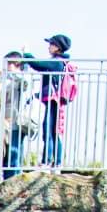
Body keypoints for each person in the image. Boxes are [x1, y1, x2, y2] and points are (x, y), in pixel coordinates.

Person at [31, 34, 77, 166]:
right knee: (52, 130)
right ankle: (54, 161)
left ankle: (50, 161)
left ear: (58, 47)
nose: (49, 47)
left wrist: (26, 55)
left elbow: (38, 64)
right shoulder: (59, 61)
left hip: (54, 99)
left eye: (51, 44)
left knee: (50, 130)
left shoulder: (57, 62)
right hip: (53, 99)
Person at [0, 52, 41, 177]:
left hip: (16, 122)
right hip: (6, 123)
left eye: (8, 64)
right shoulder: (8, 81)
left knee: (14, 152)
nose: (5, 68)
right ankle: (8, 178)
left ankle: (13, 178)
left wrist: (16, 70)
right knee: (7, 154)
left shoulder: (22, 77)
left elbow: (24, 83)